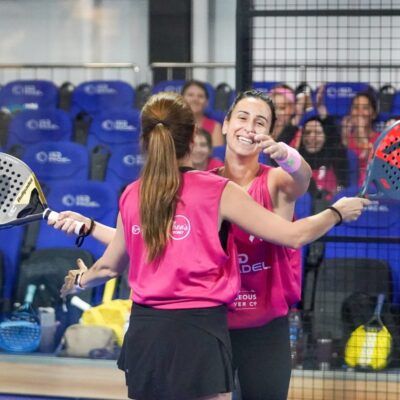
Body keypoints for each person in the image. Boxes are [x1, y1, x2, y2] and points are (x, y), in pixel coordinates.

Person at [54, 92, 368, 400]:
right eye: (243, 117)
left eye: (260, 121)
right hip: (206, 327)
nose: (250, 126)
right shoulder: (211, 188)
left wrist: (285, 153)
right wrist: (337, 212)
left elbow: (302, 177)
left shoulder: (139, 192)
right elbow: (156, 241)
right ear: (220, 127)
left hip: (215, 328)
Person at [299, 113, 350, 200]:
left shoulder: (337, 158)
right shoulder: (295, 162)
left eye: (317, 133)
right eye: (307, 132)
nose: (311, 137)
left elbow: (343, 188)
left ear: (326, 136)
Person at [341, 91, 379, 186]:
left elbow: (379, 171)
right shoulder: (344, 139)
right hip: (349, 193)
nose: (360, 113)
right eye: (356, 108)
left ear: (373, 114)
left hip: (374, 193)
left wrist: (363, 138)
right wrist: (343, 144)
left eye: (365, 108)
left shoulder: (381, 139)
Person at [181, 79, 225, 147]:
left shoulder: (215, 127)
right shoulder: (173, 124)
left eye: (200, 96)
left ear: (207, 102)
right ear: (181, 99)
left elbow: (217, 156)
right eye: (190, 95)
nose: (195, 99)